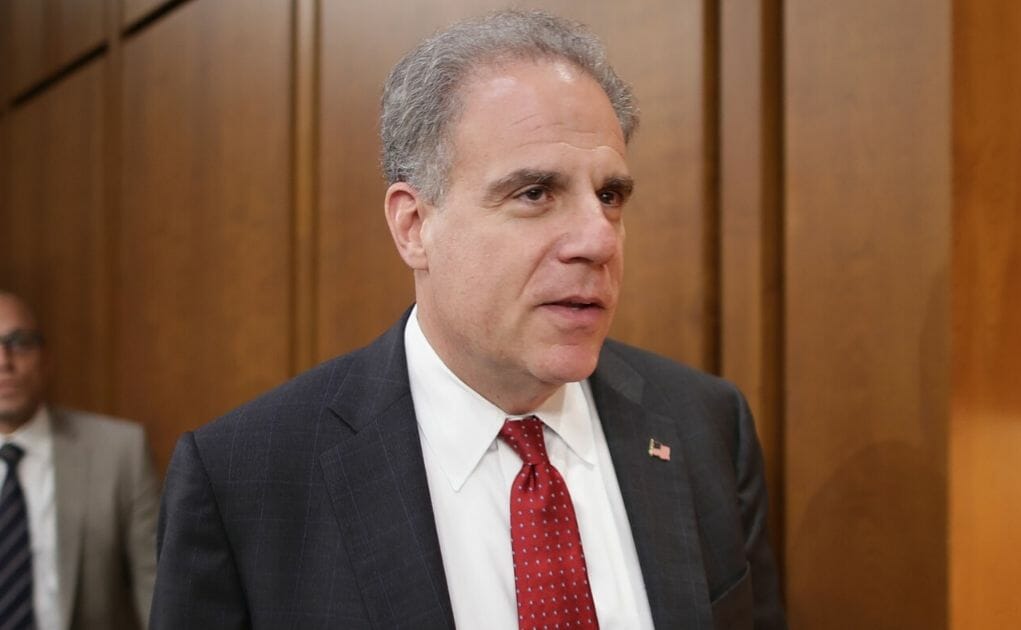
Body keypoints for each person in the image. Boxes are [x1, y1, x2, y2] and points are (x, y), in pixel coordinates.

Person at [151, 9, 785, 630]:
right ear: (414, 226)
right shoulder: (246, 480)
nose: (598, 239)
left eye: (610, 196)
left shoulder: (706, 426)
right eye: (535, 193)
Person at [0, 291, 159, 629]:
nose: (4, 361)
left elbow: (158, 591)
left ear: (46, 358)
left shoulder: (119, 451)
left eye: (20, 342)